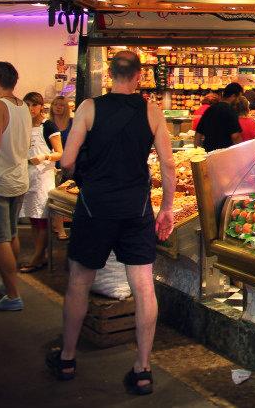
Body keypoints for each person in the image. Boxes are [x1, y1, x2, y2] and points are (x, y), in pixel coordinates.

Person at [49, 50, 176, 394]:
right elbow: (168, 166)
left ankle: (67, 357)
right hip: (136, 207)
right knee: (143, 284)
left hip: (94, 207)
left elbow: (68, 160)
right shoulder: (152, 112)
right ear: (139, 76)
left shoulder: (89, 107)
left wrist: (78, 170)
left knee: (79, 280)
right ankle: (143, 368)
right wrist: (167, 208)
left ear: (109, 75)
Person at [0, 62, 32, 311]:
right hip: (19, 178)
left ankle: (13, 296)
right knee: (11, 233)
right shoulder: (22, 106)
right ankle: (8, 283)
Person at [19, 93, 62, 272]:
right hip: (27, 175)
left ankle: (36, 258)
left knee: (42, 218)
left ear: (41, 106)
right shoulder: (24, 126)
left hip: (43, 176)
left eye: (34, 105)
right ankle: (40, 255)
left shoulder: (48, 126)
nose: (30, 109)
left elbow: (59, 152)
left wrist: (44, 156)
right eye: (27, 105)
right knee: (33, 219)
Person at [46, 95, 72, 240]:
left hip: (70, 163)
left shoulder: (72, 123)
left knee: (67, 196)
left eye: (61, 105)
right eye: (55, 104)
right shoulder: (48, 124)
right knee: (57, 197)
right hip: (53, 164)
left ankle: (59, 225)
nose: (58, 107)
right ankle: (60, 228)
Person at [194, 83, 244, 152]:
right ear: (233, 96)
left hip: (208, 152)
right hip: (224, 153)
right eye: (238, 98)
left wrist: (196, 152)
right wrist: (243, 151)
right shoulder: (231, 111)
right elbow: (235, 136)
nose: (238, 101)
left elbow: (198, 133)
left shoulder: (210, 109)